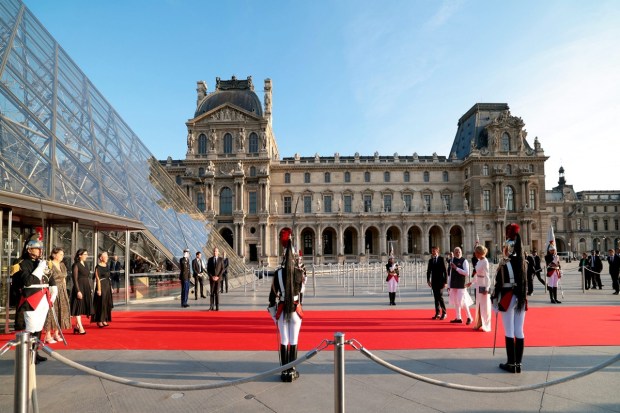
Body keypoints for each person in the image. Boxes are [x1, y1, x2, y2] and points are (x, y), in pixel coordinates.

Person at [268, 229, 305, 382]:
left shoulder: (277, 273)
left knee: (284, 340)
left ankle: (284, 371)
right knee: (294, 340)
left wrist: (273, 315)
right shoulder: (299, 272)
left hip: (283, 310)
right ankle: (292, 370)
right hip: (295, 310)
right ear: (294, 257)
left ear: (283, 256)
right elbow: (302, 293)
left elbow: (271, 298)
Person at [491, 223, 528, 373]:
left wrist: (494, 300)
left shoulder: (503, 264)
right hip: (520, 298)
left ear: (508, 248)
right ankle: (518, 364)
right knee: (519, 331)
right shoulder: (523, 262)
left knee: (509, 331)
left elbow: (498, 285)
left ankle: (510, 363)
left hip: (507, 298)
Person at [13, 239, 54, 363]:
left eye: (41, 249)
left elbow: (48, 278)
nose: (40, 251)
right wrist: (40, 268)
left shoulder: (40, 262)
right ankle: (28, 354)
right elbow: (27, 281)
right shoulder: (22, 263)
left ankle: (35, 352)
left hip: (42, 298)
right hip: (30, 299)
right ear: (29, 250)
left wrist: (53, 289)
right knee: (31, 327)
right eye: (37, 248)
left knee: (39, 327)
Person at [43, 247, 71, 344]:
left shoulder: (62, 265)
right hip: (52, 289)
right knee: (51, 312)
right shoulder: (49, 264)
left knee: (61, 311)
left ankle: (56, 333)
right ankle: (47, 335)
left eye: (63, 254)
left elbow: (64, 278)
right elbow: (46, 277)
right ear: (54, 255)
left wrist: (65, 291)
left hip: (62, 290)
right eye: (60, 254)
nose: (62, 256)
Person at [467, 245, 491, 332]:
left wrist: (487, 288)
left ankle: (485, 323)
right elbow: (477, 274)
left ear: (480, 253)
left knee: (484, 305)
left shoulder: (485, 261)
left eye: (476, 252)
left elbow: (487, 276)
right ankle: (479, 322)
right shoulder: (478, 261)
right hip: (478, 284)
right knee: (479, 305)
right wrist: (472, 282)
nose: (475, 254)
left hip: (484, 285)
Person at [448, 247, 473, 324]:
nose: (457, 253)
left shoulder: (464, 261)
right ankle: (458, 318)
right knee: (456, 301)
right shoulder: (452, 260)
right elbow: (450, 274)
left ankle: (469, 317)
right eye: (456, 252)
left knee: (462, 301)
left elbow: (467, 273)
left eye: (458, 251)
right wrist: (449, 285)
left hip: (461, 283)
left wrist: (457, 268)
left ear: (461, 252)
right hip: (453, 283)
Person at [70, 249, 92, 335]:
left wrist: (89, 289)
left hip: (86, 287)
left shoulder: (86, 264)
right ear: (80, 255)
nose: (86, 256)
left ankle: (76, 327)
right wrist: (78, 291)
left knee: (82, 307)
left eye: (87, 254)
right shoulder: (76, 265)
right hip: (79, 287)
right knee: (78, 307)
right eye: (85, 254)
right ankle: (80, 326)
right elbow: (74, 279)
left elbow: (87, 277)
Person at [92, 252, 113, 327]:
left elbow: (108, 277)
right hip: (101, 286)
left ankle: (104, 319)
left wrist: (111, 287)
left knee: (106, 303)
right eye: (106, 256)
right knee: (101, 303)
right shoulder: (98, 267)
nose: (107, 258)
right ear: (101, 258)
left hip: (107, 285)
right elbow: (97, 279)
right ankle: (99, 320)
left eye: (107, 256)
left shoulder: (107, 265)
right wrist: (99, 290)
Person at [426, 246, 447, 320]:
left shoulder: (441, 259)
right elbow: (428, 271)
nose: (433, 252)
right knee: (436, 298)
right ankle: (437, 313)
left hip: (441, 281)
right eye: (432, 251)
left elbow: (445, 271)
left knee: (440, 297)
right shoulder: (430, 260)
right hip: (434, 281)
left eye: (434, 251)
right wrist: (428, 280)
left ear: (437, 251)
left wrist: (445, 282)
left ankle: (444, 313)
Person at [206, 246, 224, 311]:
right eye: (214, 251)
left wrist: (218, 276)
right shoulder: (210, 259)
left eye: (216, 251)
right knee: (212, 292)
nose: (215, 252)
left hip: (218, 279)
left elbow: (222, 269)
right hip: (212, 278)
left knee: (217, 292)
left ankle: (217, 306)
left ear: (218, 252)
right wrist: (212, 276)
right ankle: (211, 306)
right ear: (212, 252)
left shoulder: (221, 259)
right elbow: (208, 269)